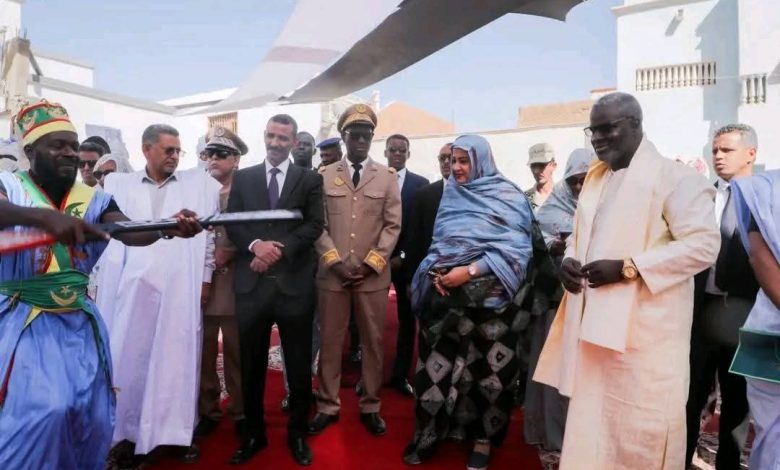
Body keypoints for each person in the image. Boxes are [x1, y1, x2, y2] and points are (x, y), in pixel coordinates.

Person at [0, 100, 202, 470]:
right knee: (46, 412)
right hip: (21, 321)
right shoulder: (9, 185)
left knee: (87, 413)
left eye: (72, 145)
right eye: (57, 145)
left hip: (77, 323)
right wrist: (44, 218)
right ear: (30, 151)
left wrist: (167, 227)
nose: (69, 153)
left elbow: (129, 231)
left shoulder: (93, 198)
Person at [533, 92, 720, 469]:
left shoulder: (676, 178)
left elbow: (703, 246)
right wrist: (569, 261)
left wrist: (628, 267)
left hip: (646, 341)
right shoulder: (596, 181)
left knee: (640, 436)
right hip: (594, 335)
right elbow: (580, 236)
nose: (598, 139)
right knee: (592, 434)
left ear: (635, 125)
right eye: (593, 131)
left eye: (608, 129)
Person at [403, 134, 533, 470]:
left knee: (490, 376)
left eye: (464, 161)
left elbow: (517, 250)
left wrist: (470, 271)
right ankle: (430, 433)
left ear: (482, 161)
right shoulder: (452, 195)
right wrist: (436, 273)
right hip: (448, 302)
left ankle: (483, 441)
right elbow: (442, 246)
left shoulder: (509, 195)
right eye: (453, 160)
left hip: (494, 307)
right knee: (435, 372)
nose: (457, 168)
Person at [96, 124, 220, 467]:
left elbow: (209, 237)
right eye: (168, 150)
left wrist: (205, 279)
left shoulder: (199, 185)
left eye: (178, 151)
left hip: (180, 286)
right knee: (129, 360)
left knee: (176, 360)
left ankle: (173, 433)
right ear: (146, 149)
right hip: (133, 289)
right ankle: (126, 435)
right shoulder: (120, 185)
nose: (175, 156)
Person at [226, 115, 324, 466]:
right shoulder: (244, 177)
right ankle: (254, 434)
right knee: (251, 366)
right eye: (270, 135)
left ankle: (297, 433)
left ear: (294, 142)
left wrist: (277, 250)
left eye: (283, 138)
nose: (275, 143)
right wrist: (256, 246)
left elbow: (315, 225)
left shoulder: (309, 179)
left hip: (294, 287)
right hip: (251, 289)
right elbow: (233, 222)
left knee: (297, 367)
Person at [309, 104, 401, 437]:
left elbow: (392, 225)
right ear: (344, 137)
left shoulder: (387, 177)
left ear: (372, 138)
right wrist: (334, 261)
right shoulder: (324, 176)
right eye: (354, 134)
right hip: (333, 276)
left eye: (366, 135)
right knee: (331, 341)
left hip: (371, 278)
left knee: (373, 343)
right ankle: (327, 404)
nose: (361, 140)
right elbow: (317, 224)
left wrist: (371, 263)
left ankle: (371, 405)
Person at [686, 124, 758, 469]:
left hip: (748, 315)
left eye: (726, 150)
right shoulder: (702, 198)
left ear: (750, 154)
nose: (718, 156)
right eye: (714, 150)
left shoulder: (766, 199)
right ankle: (681, 459)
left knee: (738, 401)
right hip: (701, 312)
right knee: (690, 396)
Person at [523, 148, 592, 452]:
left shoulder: (609, 207)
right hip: (556, 301)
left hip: (595, 306)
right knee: (555, 369)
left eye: (585, 179)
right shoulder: (552, 208)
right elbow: (534, 243)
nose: (579, 186)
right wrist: (555, 246)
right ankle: (552, 434)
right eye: (574, 180)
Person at [193, 127, 248, 443]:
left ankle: (240, 411)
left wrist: (233, 250)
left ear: (236, 159)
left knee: (236, 352)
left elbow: (256, 232)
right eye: (209, 153)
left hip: (234, 282)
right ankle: (208, 410)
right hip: (201, 284)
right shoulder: (197, 191)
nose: (213, 159)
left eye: (221, 154)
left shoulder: (246, 190)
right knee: (203, 352)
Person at [730, 170, 780, 470]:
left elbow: (760, 260)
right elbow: (761, 260)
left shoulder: (765, 189)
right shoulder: (764, 189)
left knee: (771, 434)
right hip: (770, 332)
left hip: (768, 323)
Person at [385, 133, 429, 396]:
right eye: (393, 149)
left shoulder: (420, 185)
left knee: (406, 322)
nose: (397, 154)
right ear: (386, 152)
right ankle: (370, 375)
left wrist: (403, 258)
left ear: (409, 154)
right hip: (376, 261)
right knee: (371, 321)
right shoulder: (374, 179)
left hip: (406, 264)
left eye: (402, 150)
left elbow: (418, 229)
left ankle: (400, 375)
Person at [404, 143, 452, 277]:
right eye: (442, 158)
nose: (446, 162)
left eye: (450, 157)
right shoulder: (424, 194)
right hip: (429, 272)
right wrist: (412, 278)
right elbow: (414, 239)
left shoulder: (473, 194)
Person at [524, 143, 557, 211]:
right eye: (533, 166)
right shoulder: (524, 199)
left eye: (542, 165)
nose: (536, 171)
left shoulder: (566, 196)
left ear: (553, 166)